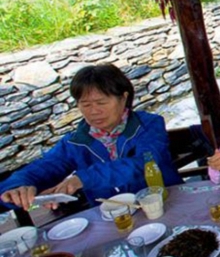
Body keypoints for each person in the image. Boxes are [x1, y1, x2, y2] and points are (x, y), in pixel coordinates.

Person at [0, 64, 181, 209]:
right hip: (114, 218)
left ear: (124, 98)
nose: (94, 111)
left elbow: (145, 163)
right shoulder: (75, 142)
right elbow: (43, 167)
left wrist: (84, 178)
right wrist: (16, 186)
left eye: (101, 102)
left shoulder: (149, 125)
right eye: (85, 104)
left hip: (166, 203)